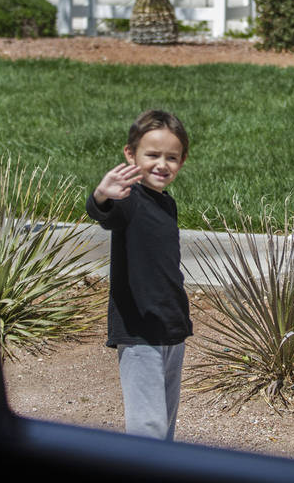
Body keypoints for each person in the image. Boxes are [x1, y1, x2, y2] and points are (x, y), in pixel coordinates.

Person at [86, 109, 193, 439]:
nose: (162, 164)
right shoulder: (128, 200)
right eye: (153, 155)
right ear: (130, 154)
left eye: (172, 157)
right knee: (148, 427)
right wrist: (102, 194)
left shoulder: (166, 204)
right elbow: (102, 213)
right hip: (138, 331)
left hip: (170, 327)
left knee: (165, 424)